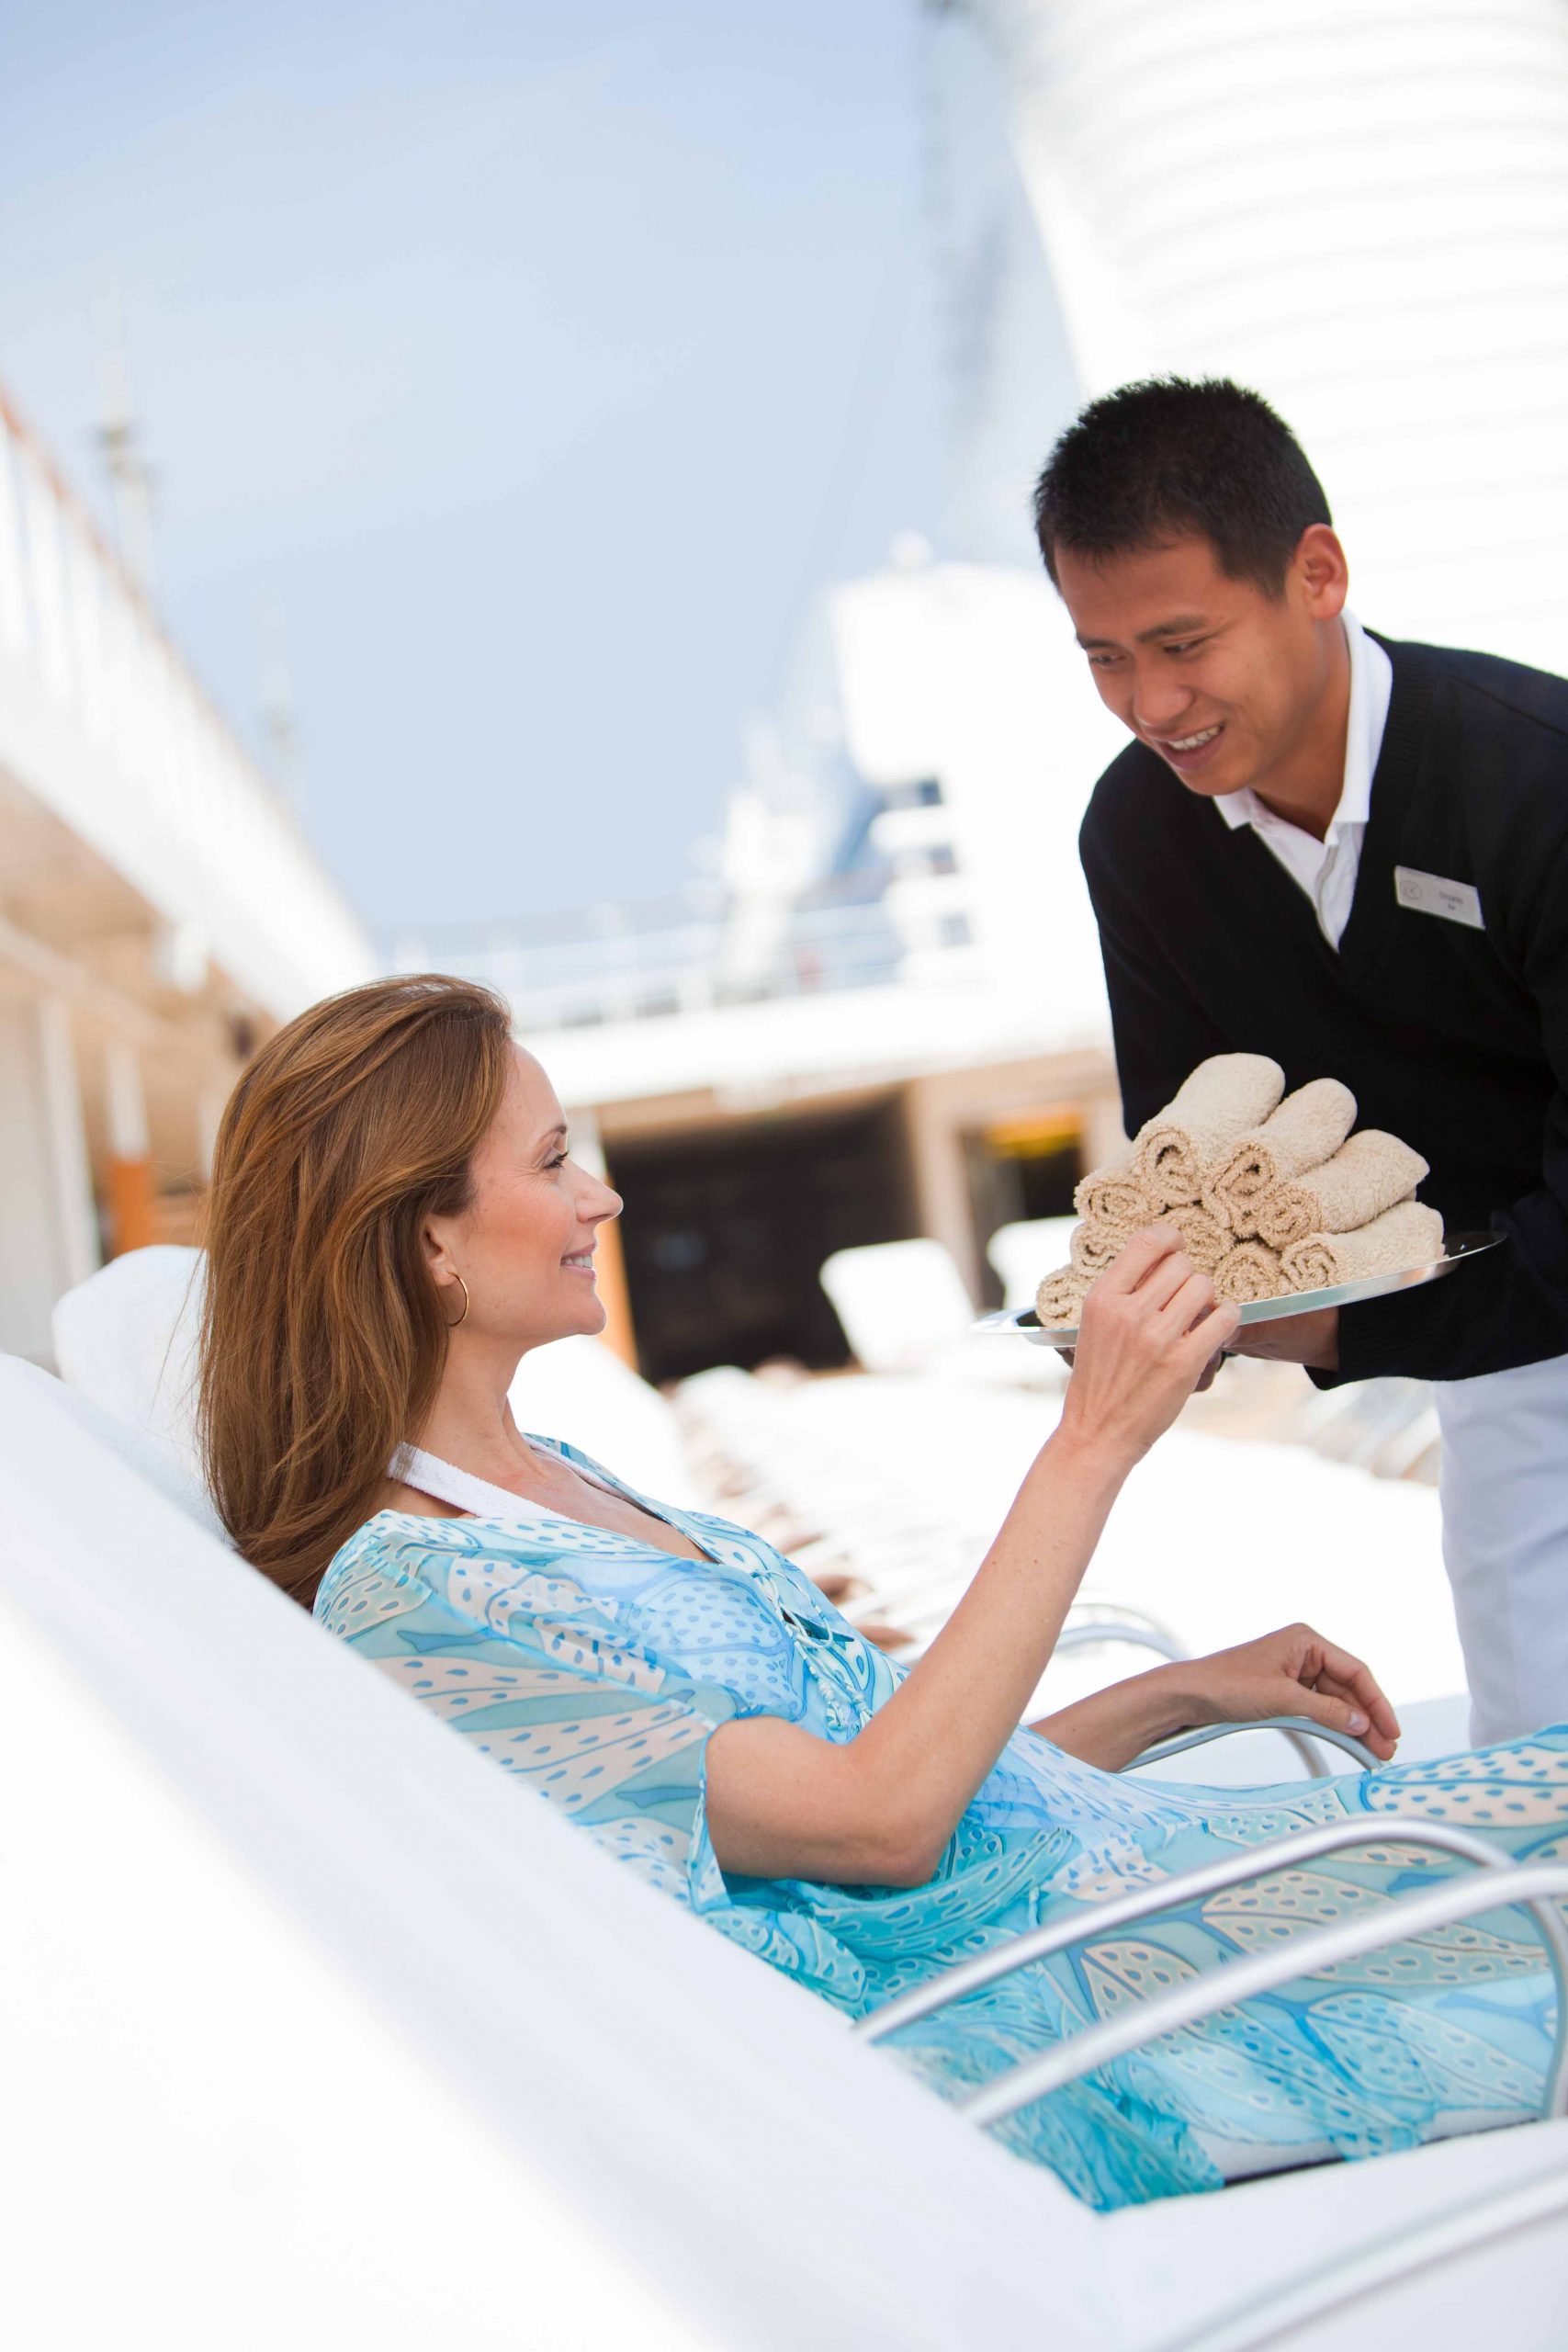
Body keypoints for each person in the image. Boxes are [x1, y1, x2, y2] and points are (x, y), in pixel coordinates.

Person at [199, 974, 1568, 2213]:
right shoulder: (422, 1596)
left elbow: (899, 1788)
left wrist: (1174, 1695)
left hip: (1134, 1891)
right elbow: (879, 1825)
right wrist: (1093, 1440)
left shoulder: (548, 1480)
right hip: (1107, 2013)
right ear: (426, 1239)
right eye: (554, 1161)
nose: (601, 1201)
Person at [1034, 377, 1568, 1746]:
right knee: (1540, 1773)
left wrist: (1328, 1330)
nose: (1152, 703)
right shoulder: (1140, 836)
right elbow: (1188, 1148)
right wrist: (1177, 1301)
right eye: (1105, 657)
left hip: (1514, 1287)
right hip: (1509, 1363)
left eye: (1183, 642)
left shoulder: (1538, 781)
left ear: (1316, 574)